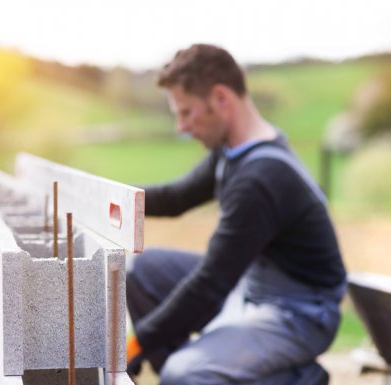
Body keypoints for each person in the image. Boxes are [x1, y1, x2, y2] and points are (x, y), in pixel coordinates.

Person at [125, 44, 347, 385]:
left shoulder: (260, 179)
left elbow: (210, 284)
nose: (181, 127)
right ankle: (219, 369)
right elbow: (176, 198)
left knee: (183, 375)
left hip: (300, 312)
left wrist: (134, 345)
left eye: (186, 113)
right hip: (252, 288)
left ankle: (295, 378)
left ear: (221, 99)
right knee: (142, 270)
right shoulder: (233, 151)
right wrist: (105, 196)